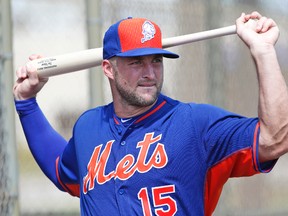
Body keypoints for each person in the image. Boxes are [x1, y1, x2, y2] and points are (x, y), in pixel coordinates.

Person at [13, 11, 288, 216]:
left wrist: (263, 52)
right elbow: (62, 170)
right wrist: (26, 103)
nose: (150, 73)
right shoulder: (88, 126)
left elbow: (275, 139)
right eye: (136, 62)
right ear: (109, 68)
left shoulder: (193, 123)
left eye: (156, 60)